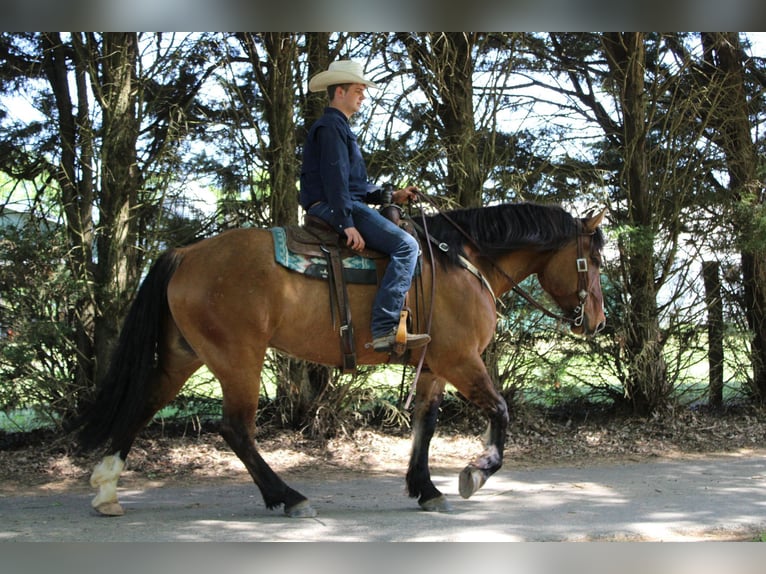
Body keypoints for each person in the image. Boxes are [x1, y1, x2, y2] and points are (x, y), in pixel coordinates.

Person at [299, 60, 431, 354]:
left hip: (341, 202)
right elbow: (336, 181)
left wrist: (391, 194)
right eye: (358, 90)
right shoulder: (332, 126)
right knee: (407, 246)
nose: (363, 96)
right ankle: (385, 329)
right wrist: (345, 221)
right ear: (340, 92)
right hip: (334, 206)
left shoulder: (338, 127)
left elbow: (352, 183)